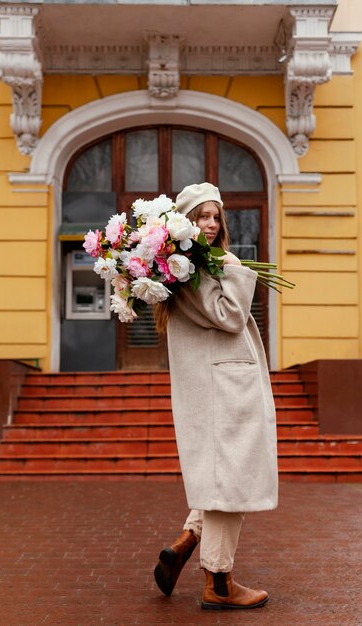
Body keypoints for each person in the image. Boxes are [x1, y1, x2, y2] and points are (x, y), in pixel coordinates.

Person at [153, 182, 278, 610]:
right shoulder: (190, 268)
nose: (210, 224)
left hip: (219, 383)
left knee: (221, 475)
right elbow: (230, 316)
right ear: (182, 223)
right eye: (200, 216)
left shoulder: (189, 266)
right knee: (232, 481)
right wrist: (239, 269)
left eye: (215, 216)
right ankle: (219, 582)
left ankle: (187, 541)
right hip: (223, 387)